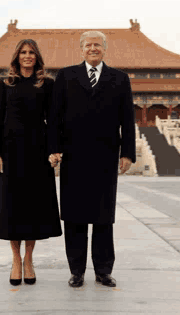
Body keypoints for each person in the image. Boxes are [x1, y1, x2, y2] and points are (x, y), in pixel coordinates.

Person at [48, 30, 136, 288]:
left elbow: (127, 119)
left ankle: (103, 270)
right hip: (74, 155)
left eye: (97, 44)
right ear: (81, 49)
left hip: (106, 155)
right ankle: (76, 270)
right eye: (88, 45)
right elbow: (55, 116)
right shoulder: (66, 76)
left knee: (103, 216)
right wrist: (54, 147)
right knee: (74, 216)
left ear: (105, 49)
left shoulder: (119, 78)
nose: (93, 48)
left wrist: (127, 152)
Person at [0, 38, 62, 286]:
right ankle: (15, 260)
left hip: (37, 152)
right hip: (10, 152)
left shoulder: (46, 84)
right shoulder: (5, 83)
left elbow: (52, 121)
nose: (27, 56)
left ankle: (29, 258)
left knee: (34, 208)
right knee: (12, 208)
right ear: (17, 57)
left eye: (31, 52)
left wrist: (54, 151)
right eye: (23, 52)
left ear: (37, 56)